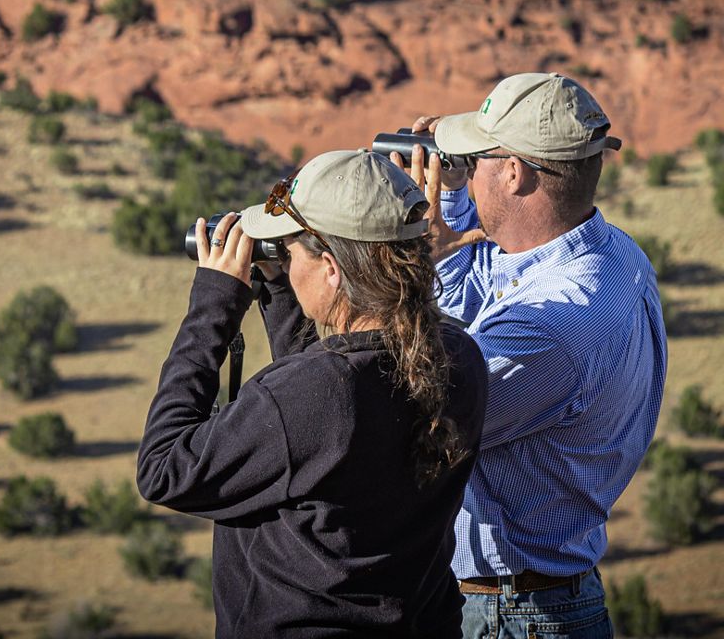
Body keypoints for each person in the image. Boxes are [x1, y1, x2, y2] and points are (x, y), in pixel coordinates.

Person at [136, 149, 488, 638]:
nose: (284, 260)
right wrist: (282, 288)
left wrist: (212, 308)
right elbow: (318, 417)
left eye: (290, 251)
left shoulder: (312, 397)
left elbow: (162, 470)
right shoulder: (459, 357)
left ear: (331, 268)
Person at [398, 72, 667, 639]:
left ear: (515, 173)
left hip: (511, 618)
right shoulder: (605, 253)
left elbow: (421, 410)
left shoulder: (553, 326)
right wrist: (452, 198)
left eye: (477, 160)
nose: (466, 170)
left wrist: (408, 272)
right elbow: (486, 286)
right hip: (529, 604)